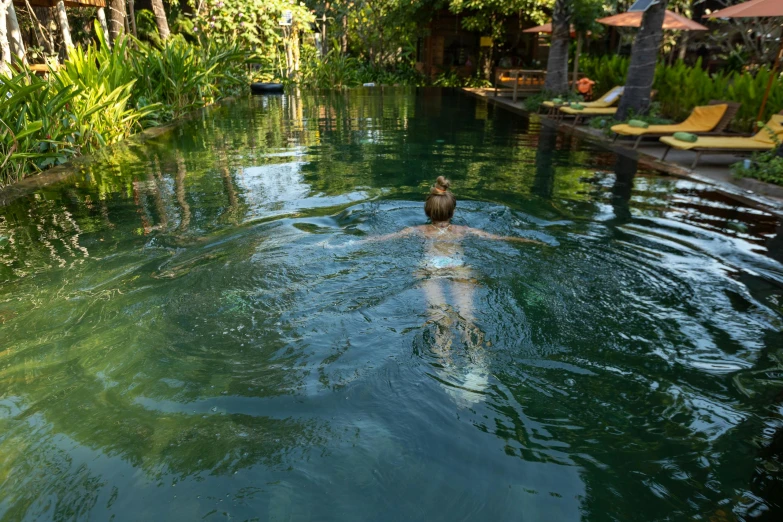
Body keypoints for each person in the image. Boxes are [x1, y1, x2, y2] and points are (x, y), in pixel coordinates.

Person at [369, 176, 543, 406]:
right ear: (453, 212)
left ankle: (445, 368)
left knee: (440, 317)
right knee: (467, 315)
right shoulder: (463, 230)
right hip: (459, 269)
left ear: (428, 212)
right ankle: (477, 365)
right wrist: (531, 242)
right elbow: (497, 238)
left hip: (431, 271)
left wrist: (346, 244)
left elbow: (384, 239)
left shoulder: (420, 230)